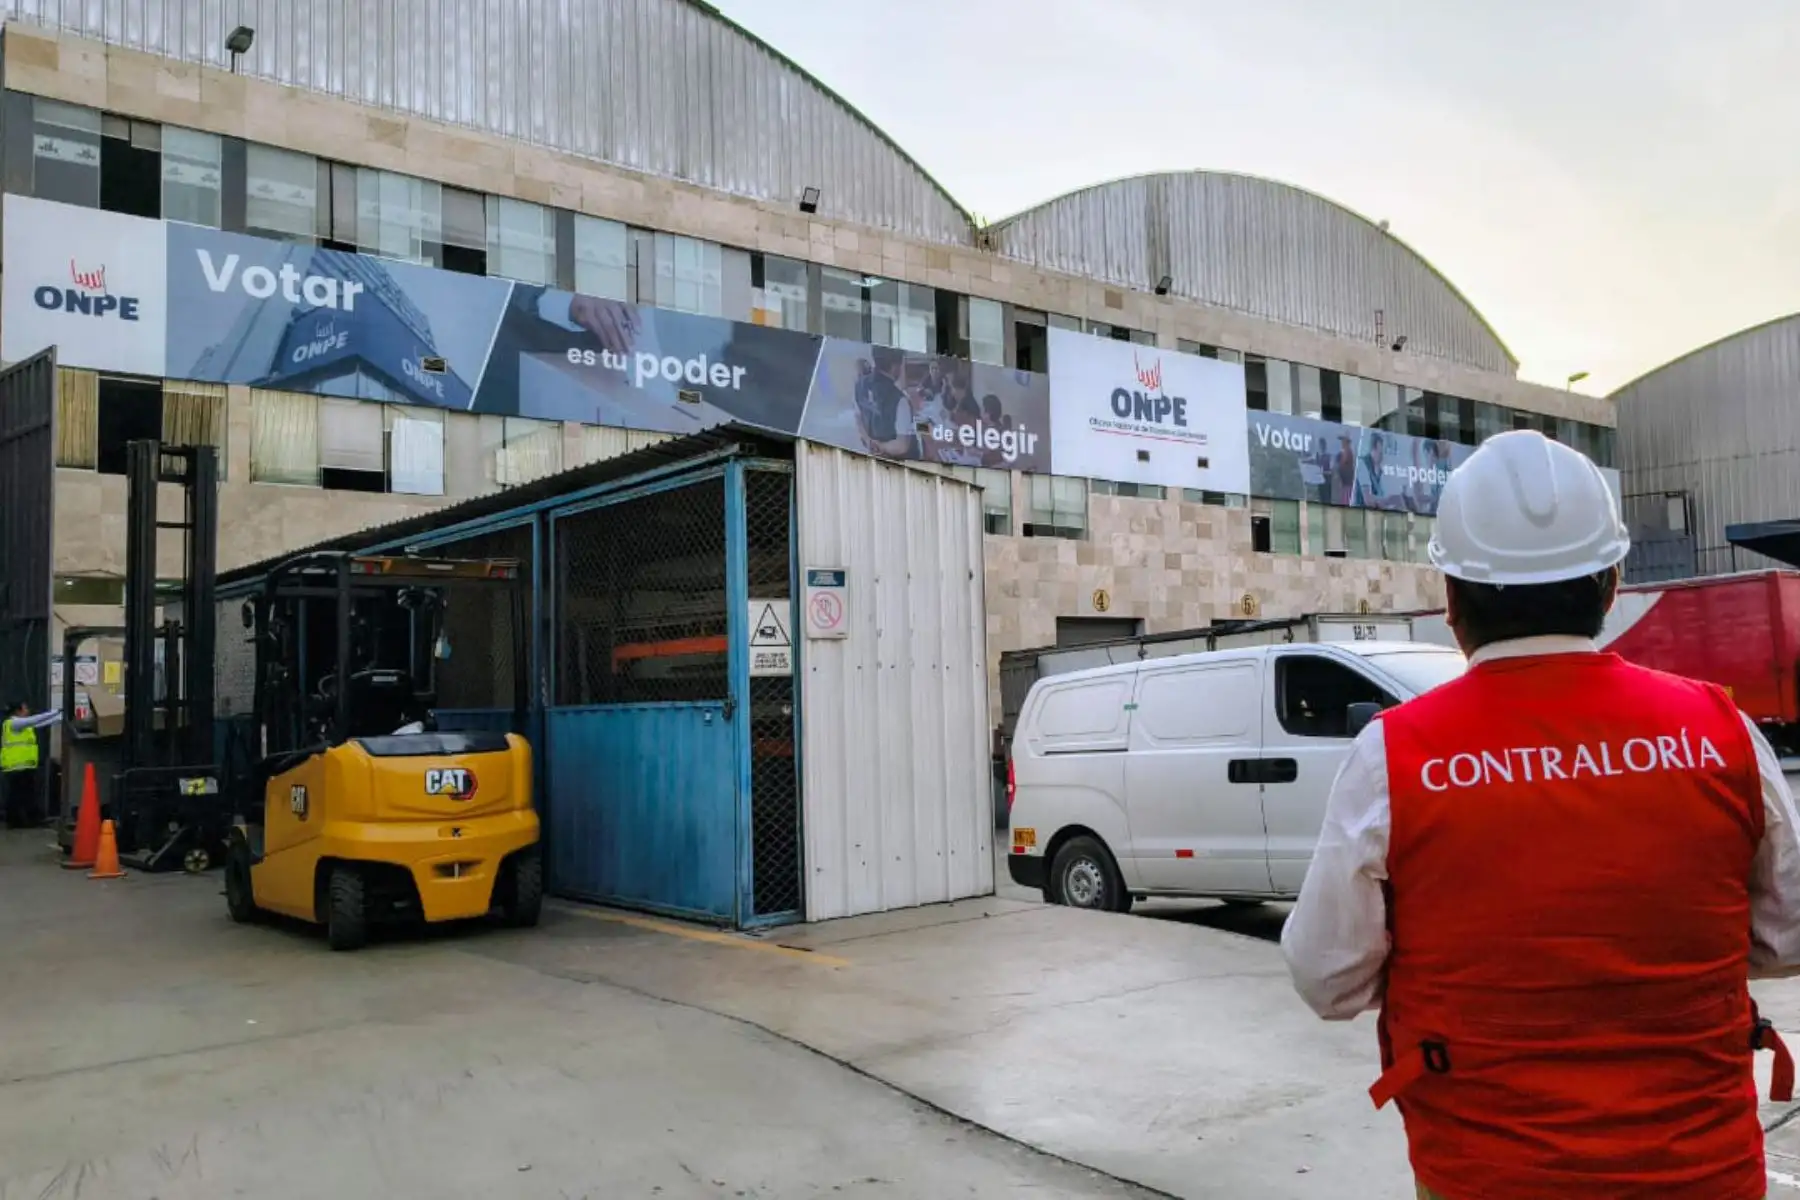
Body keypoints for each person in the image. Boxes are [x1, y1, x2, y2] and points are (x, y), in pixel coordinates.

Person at [1281, 430, 1800, 1200]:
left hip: (1486, 1175)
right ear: (1612, 582)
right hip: (1706, 1172)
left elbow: (1327, 979)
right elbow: (1786, 934)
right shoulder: (1721, 731)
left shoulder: (1392, 758)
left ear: (1452, 599)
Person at [3, 699, 57, 829]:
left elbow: (42, 722)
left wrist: (59, 717)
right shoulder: (14, 723)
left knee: (24, 794)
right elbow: (35, 720)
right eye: (25, 708)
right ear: (19, 710)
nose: (28, 710)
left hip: (23, 765)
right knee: (19, 795)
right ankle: (20, 820)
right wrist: (55, 712)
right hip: (17, 765)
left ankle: (24, 820)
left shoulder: (20, 725)